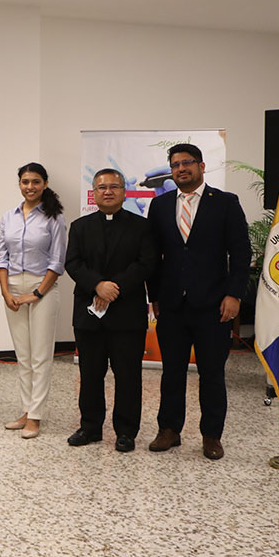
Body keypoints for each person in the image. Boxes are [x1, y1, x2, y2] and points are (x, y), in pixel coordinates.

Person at [147, 143, 251, 460]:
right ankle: (169, 430)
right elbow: (152, 256)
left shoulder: (225, 203)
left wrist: (234, 295)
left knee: (212, 374)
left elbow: (242, 252)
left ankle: (211, 435)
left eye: (187, 163)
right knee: (172, 373)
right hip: (172, 306)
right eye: (175, 165)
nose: (181, 169)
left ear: (201, 166)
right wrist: (155, 298)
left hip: (214, 306)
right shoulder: (161, 205)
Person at [64, 169, 156, 452]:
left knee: (128, 376)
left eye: (114, 186)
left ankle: (126, 432)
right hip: (88, 314)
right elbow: (73, 263)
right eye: (101, 187)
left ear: (124, 191)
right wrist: (97, 285)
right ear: (94, 192)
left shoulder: (142, 227)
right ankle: (90, 427)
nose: (107, 191)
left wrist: (113, 287)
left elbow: (146, 263)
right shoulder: (80, 226)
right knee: (90, 374)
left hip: (126, 314)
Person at [0, 163, 66, 439]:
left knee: (40, 356)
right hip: (12, 287)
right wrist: (5, 291)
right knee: (23, 356)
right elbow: (0, 257)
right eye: (25, 182)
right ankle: (26, 410)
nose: (30, 187)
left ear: (45, 184)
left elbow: (57, 261)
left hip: (41, 288)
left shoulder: (54, 217)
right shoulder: (9, 217)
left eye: (36, 182)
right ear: (19, 184)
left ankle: (35, 416)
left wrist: (36, 294)